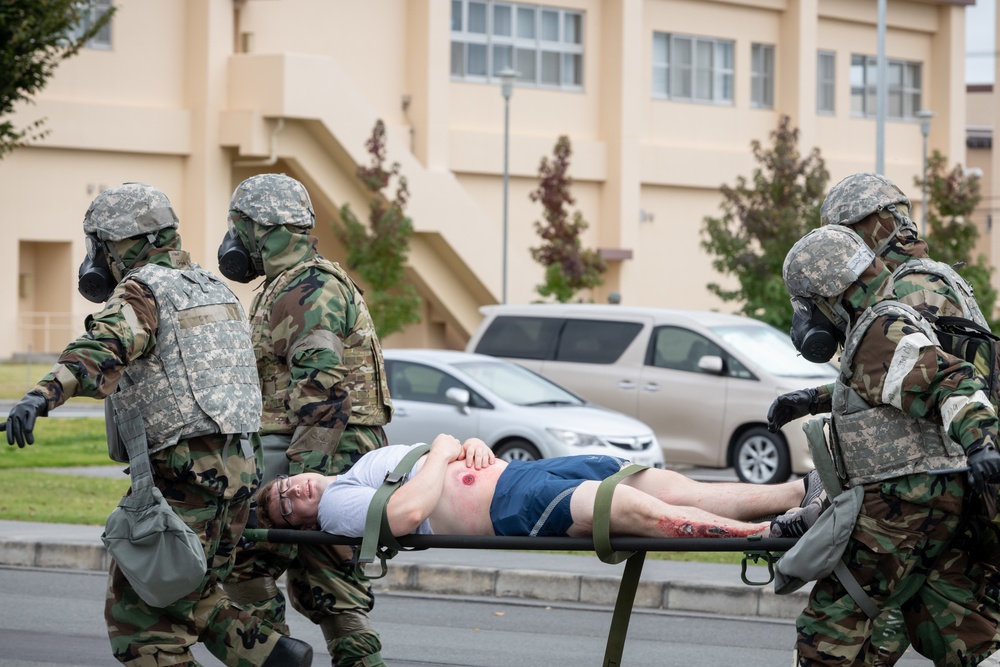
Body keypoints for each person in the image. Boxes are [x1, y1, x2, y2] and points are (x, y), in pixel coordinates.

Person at [0, 182, 312, 666]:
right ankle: (273, 655)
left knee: (140, 629)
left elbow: (102, 348)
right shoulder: (213, 288)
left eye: (99, 244)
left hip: (184, 480)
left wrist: (40, 397)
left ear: (118, 243)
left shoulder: (143, 290)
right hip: (236, 480)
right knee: (192, 596)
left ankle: (273, 657)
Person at [770, 172, 1000, 667]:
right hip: (942, 490)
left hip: (921, 492)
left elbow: (936, 380)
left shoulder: (910, 289)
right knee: (955, 631)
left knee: (846, 626)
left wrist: (982, 443)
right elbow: (896, 382)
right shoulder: (918, 284)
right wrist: (813, 398)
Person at [218, 173, 393, 667]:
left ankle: (276, 657)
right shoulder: (294, 283)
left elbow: (323, 393)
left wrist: (299, 485)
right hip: (326, 451)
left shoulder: (307, 288)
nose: (234, 239)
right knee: (330, 587)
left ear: (261, 229)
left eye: (240, 226)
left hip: (317, 451)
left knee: (244, 564)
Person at [254, 433, 822, 541]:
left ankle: (799, 493)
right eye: (283, 507)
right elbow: (408, 512)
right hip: (511, 505)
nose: (292, 492)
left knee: (672, 485)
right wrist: (447, 448)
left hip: (522, 471)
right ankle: (770, 531)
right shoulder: (335, 511)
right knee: (632, 508)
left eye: (282, 488)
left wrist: (462, 443)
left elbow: (446, 447)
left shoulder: (361, 467)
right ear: (301, 524)